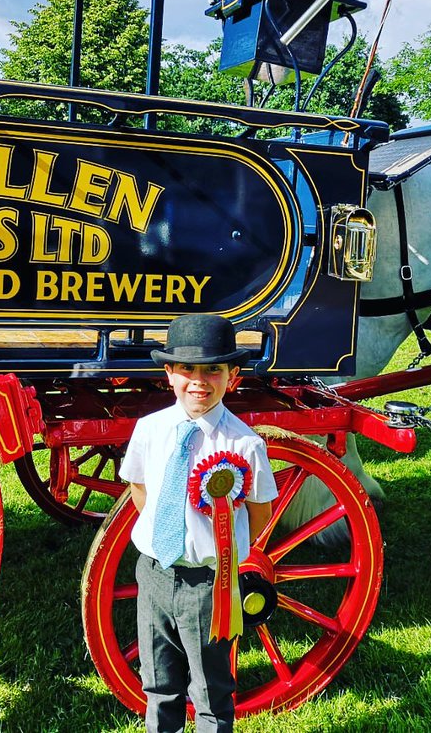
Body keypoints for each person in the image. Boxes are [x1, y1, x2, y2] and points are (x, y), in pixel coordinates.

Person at [119, 313, 278, 733]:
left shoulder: (245, 443)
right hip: (154, 574)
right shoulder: (149, 430)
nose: (199, 381)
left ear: (233, 375)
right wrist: (169, 535)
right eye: (186, 369)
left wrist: (215, 547)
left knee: (210, 692)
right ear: (168, 374)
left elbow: (259, 512)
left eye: (213, 369)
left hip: (211, 586)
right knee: (158, 684)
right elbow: (140, 491)